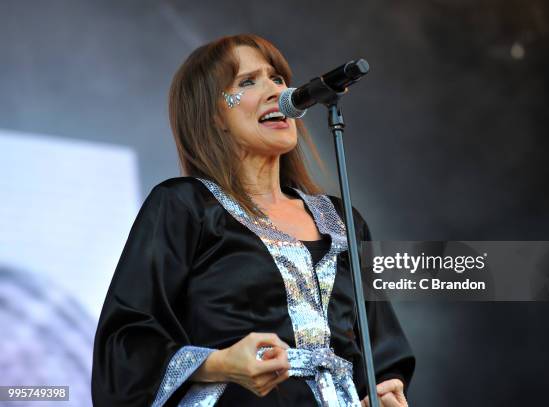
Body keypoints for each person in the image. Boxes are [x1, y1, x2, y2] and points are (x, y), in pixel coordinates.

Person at [91, 33, 415, 407]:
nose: (276, 91)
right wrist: (221, 363)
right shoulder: (185, 205)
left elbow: (381, 346)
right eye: (248, 81)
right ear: (214, 115)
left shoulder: (342, 220)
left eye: (277, 78)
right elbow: (125, 344)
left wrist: (387, 390)